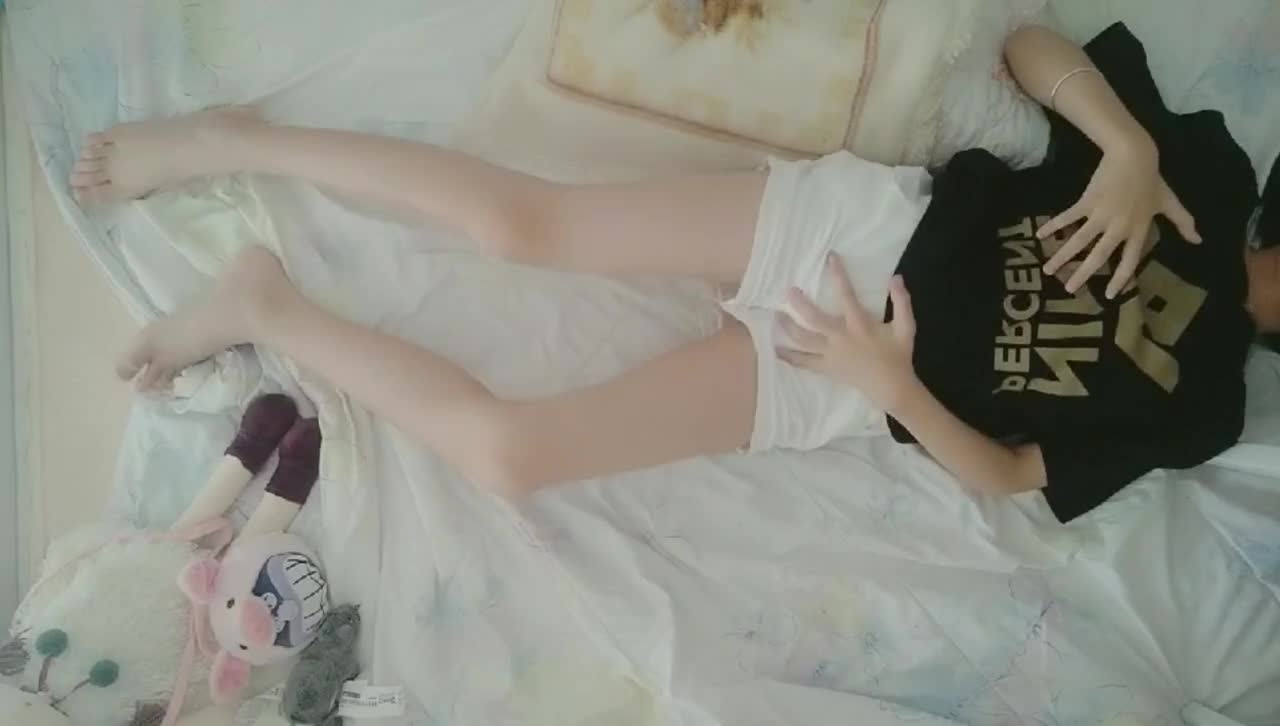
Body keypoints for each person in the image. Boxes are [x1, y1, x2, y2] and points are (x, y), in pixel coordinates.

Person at [70, 21, 1276, 521]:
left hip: (854, 385)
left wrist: (891, 384)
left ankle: (264, 304)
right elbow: (1024, 40)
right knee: (523, 228)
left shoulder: (1206, 410)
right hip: (864, 238)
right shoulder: (1212, 176)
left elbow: (1009, 473)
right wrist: (1124, 146)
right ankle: (233, 141)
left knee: (511, 459)